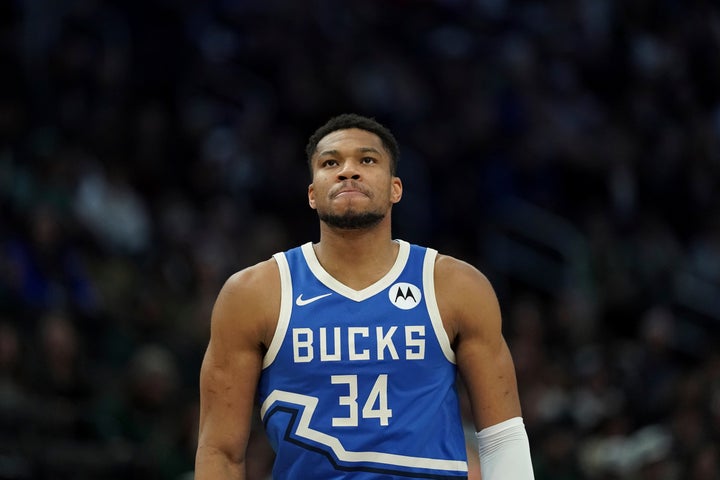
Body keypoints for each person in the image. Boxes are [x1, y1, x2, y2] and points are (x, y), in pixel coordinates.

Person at [195, 113, 535, 479]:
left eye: (367, 160)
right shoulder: (254, 294)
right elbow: (221, 451)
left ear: (395, 188)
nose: (348, 171)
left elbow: (502, 439)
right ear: (312, 193)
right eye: (330, 163)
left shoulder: (456, 286)